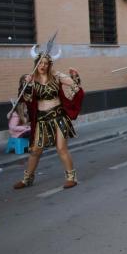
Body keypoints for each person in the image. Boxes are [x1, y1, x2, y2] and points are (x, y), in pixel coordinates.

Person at [13, 47, 84, 189]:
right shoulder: (31, 80)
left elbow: (76, 88)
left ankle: (71, 177)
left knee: (61, 148)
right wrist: (26, 86)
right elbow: (26, 99)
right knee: (35, 150)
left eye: (45, 63)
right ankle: (27, 179)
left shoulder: (57, 76)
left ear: (49, 64)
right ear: (36, 64)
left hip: (59, 117)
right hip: (42, 120)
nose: (42, 66)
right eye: (40, 63)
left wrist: (75, 76)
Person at [8, 75, 31, 140]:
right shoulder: (16, 114)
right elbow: (13, 127)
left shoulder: (25, 113)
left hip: (23, 131)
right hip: (18, 134)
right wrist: (26, 128)